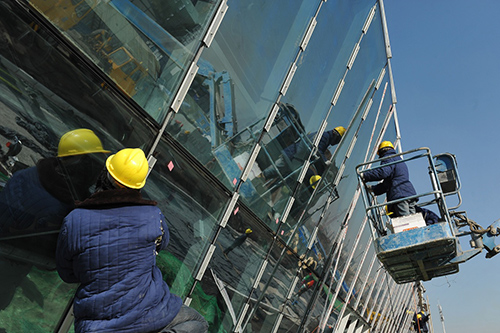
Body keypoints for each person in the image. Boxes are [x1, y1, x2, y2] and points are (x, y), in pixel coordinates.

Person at [56, 148, 208, 333]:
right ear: (138, 186)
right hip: (150, 312)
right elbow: (162, 244)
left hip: (96, 324)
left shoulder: (74, 219)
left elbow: (67, 273)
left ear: (105, 175)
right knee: (198, 323)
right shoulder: (153, 216)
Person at [0, 129, 109, 313]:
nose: (98, 170)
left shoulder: (27, 175)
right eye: (95, 161)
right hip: (9, 269)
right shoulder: (61, 208)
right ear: (82, 162)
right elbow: (48, 261)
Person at [262, 126, 346, 182]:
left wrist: (322, 170)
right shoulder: (325, 137)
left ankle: (262, 178)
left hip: (294, 156)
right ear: (336, 135)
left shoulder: (324, 136)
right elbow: (317, 150)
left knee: (277, 172)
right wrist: (325, 162)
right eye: (338, 140)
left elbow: (315, 155)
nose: (336, 143)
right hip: (293, 156)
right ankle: (260, 178)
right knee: (275, 169)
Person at [362, 141, 417, 217]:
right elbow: (389, 184)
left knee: (406, 221)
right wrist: (374, 189)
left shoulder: (388, 158)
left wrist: (365, 175)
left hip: (400, 195)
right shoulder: (398, 160)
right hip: (409, 193)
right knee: (414, 220)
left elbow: (382, 172)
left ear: (382, 151)